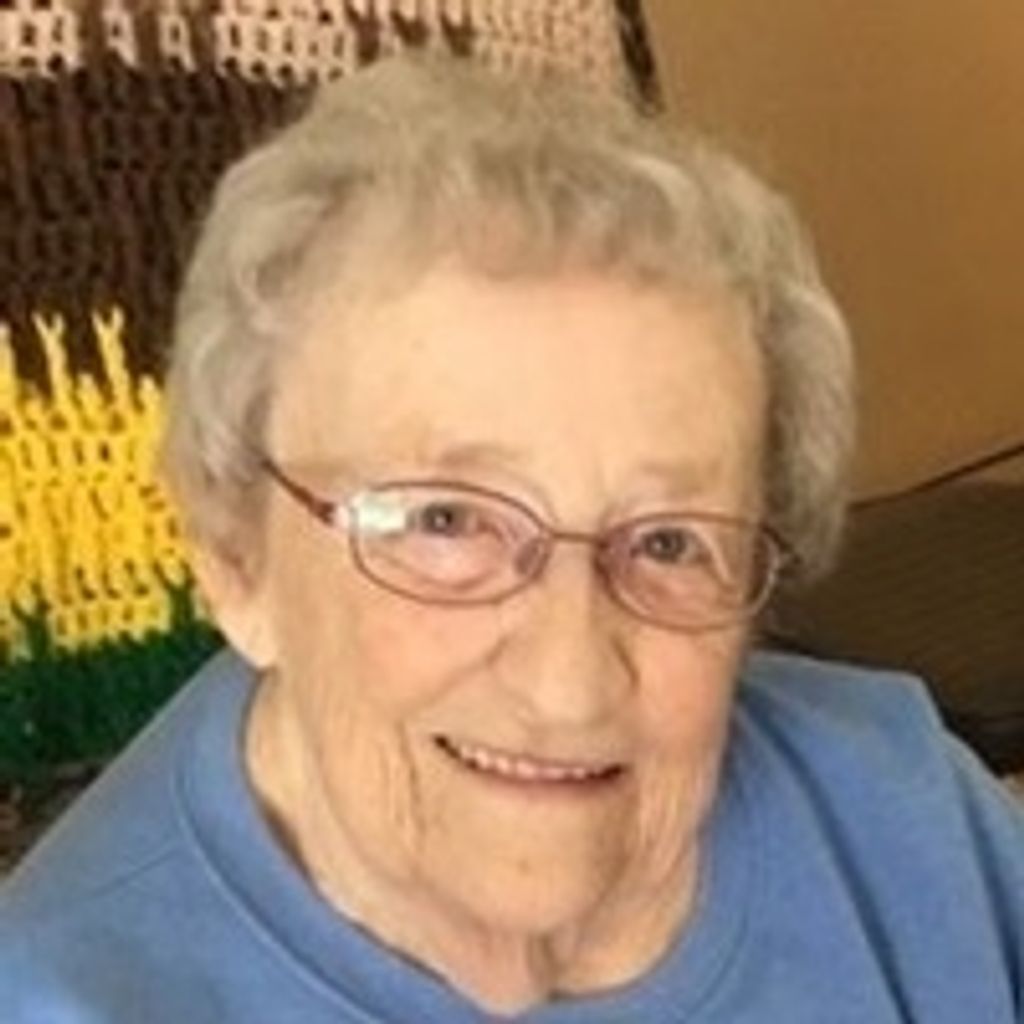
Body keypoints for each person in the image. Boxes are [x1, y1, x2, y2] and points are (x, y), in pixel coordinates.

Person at [2, 55, 1021, 1023]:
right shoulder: (63, 997)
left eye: (667, 542)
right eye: (446, 521)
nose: (567, 685)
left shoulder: (908, 820)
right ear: (235, 554)